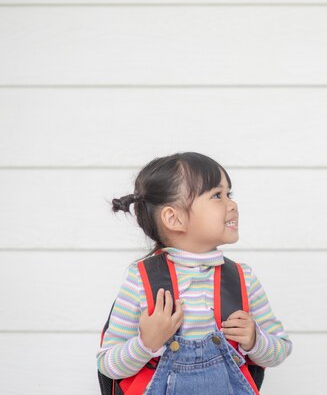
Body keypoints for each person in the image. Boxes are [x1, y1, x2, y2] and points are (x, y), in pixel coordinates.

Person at [97, 152, 292, 394]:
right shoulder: (141, 280)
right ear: (174, 218)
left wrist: (255, 340)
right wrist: (145, 344)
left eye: (229, 194)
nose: (232, 204)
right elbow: (107, 365)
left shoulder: (242, 279)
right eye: (217, 196)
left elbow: (280, 349)